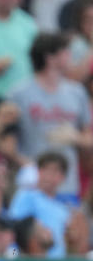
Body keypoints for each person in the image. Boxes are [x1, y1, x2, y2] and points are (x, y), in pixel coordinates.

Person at [9, 33, 93, 200]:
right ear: (50, 57)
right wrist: (28, 165)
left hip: (67, 185)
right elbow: (6, 144)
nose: (70, 57)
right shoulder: (19, 94)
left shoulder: (77, 92)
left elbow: (89, 138)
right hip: (32, 185)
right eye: (66, 52)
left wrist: (75, 137)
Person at [8, 152, 77, 258]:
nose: (48, 175)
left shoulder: (65, 209)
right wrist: (14, 257)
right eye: (44, 169)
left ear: (62, 177)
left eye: (54, 171)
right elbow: (14, 232)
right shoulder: (26, 196)